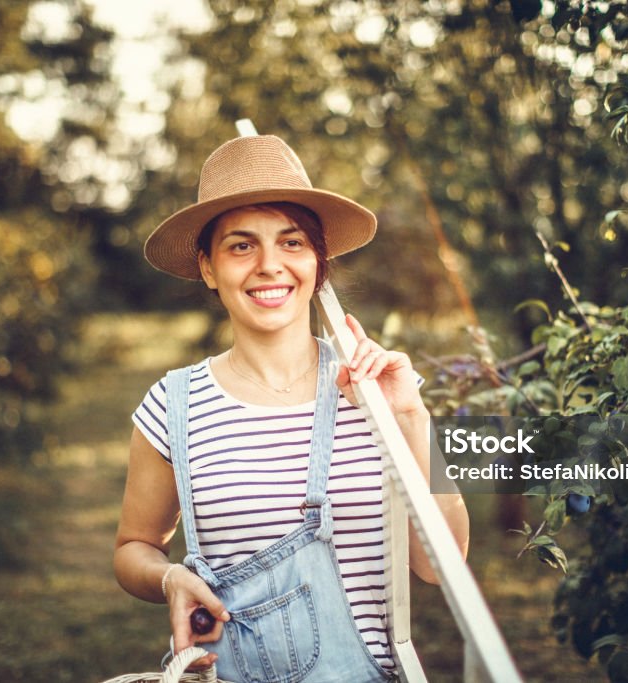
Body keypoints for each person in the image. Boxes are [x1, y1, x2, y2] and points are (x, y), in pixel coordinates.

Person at [113, 134, 470, 682]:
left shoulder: (375, 390)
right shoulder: (174, 405)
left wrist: (411, 417)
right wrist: (168, 579)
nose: (269, 265)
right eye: (241, 246)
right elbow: (134, 547)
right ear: (208, 268)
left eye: (292, 242)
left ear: (318, 262)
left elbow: (441, 565)